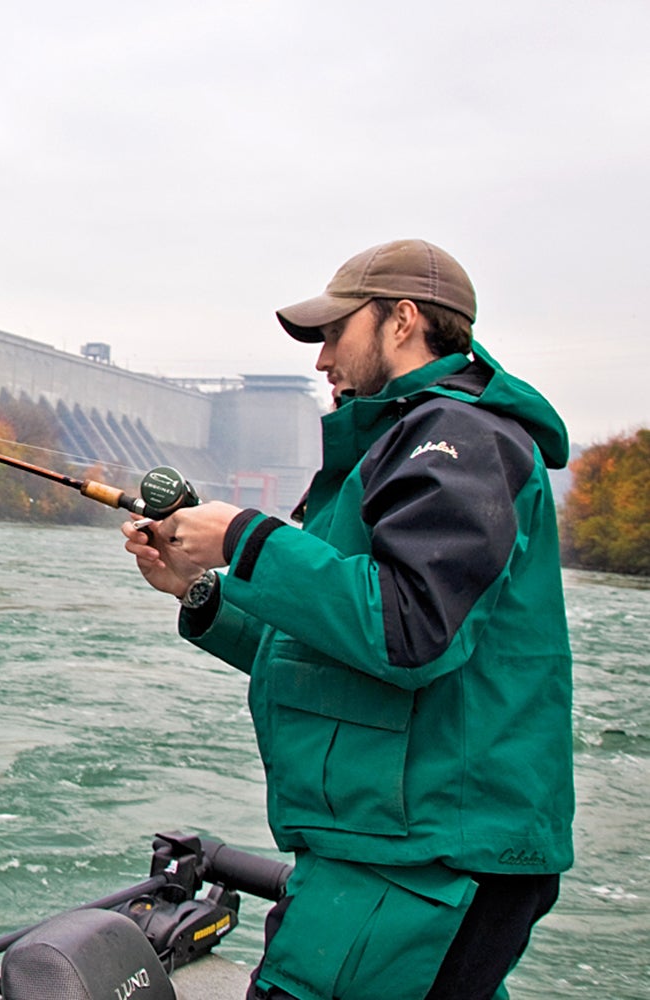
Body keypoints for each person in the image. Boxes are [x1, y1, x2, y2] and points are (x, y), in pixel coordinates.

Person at [121, 240, 573, 1000]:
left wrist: (245, 539)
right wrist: (201, 592)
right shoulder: (395, 445)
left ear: (402, 321)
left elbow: (408, 633)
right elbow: (329, 642)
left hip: (430, 858)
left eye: (334, 332)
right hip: (389, 847)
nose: (322, 357)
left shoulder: (461, 441)